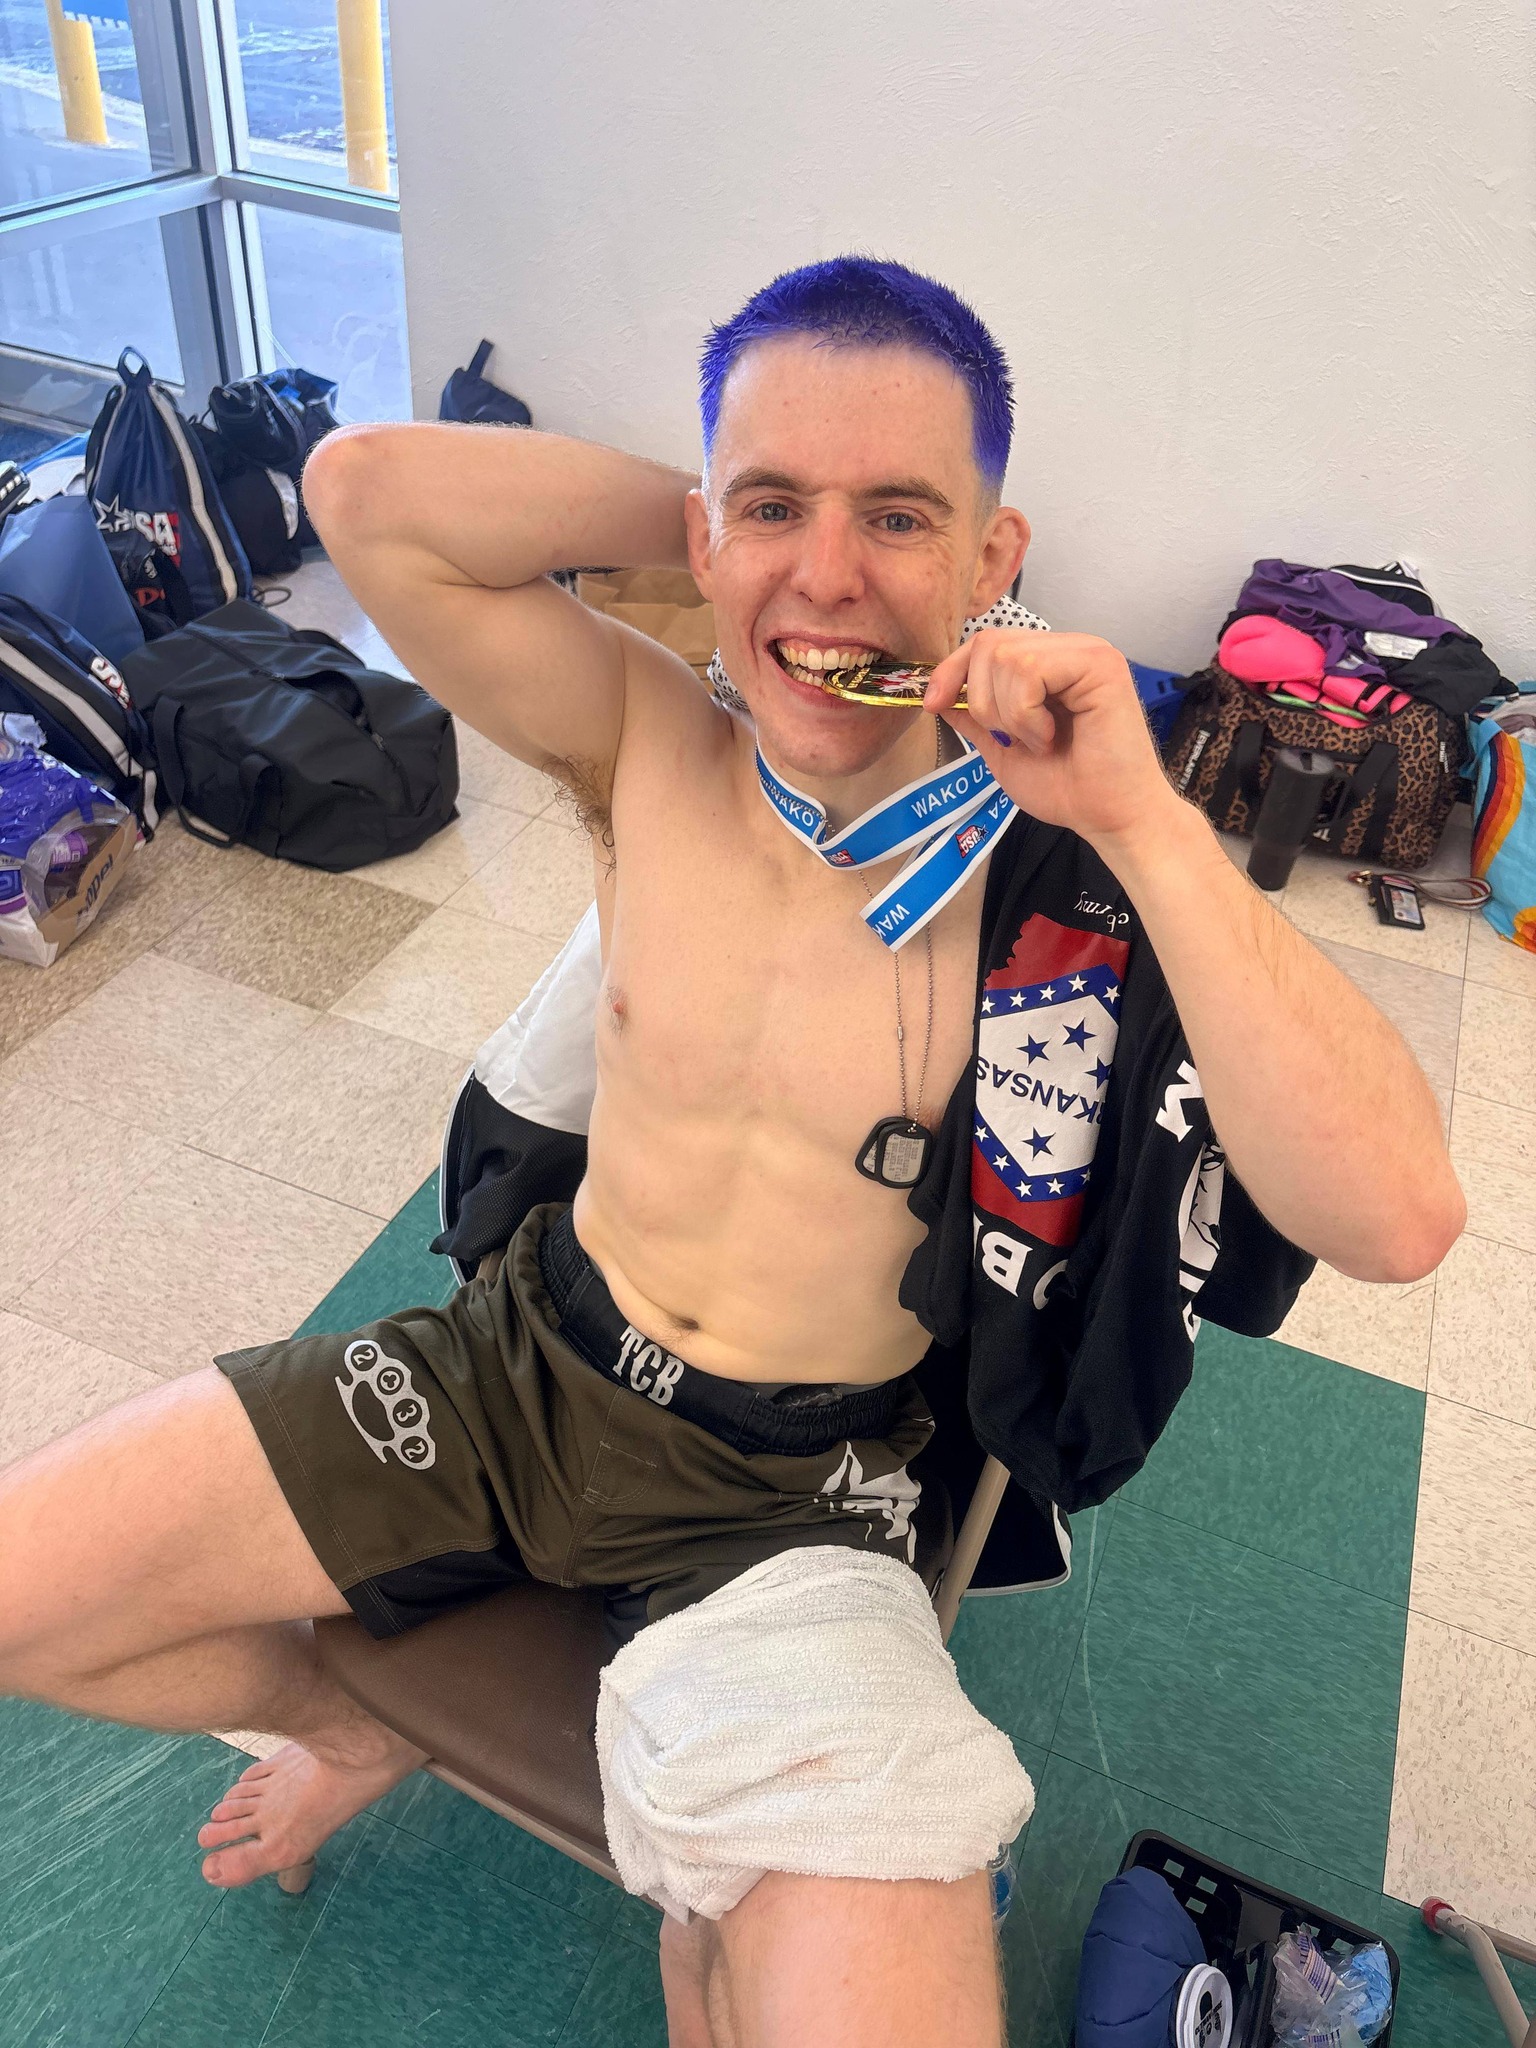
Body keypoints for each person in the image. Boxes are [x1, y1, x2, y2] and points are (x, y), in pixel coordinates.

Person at [0, 259, 1463, 2048]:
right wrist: (729, 547)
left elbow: (1399, 1217)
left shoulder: (1060, 875)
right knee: (28, 1598)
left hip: (793, 1503)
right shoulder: (651, 740)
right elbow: (365, 495)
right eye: (776, 506)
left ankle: (713, 1844)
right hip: (510, 1368)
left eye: (900, 521)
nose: (832, 573)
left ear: (999, 564)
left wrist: (1146, 819)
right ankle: (355, 1718)